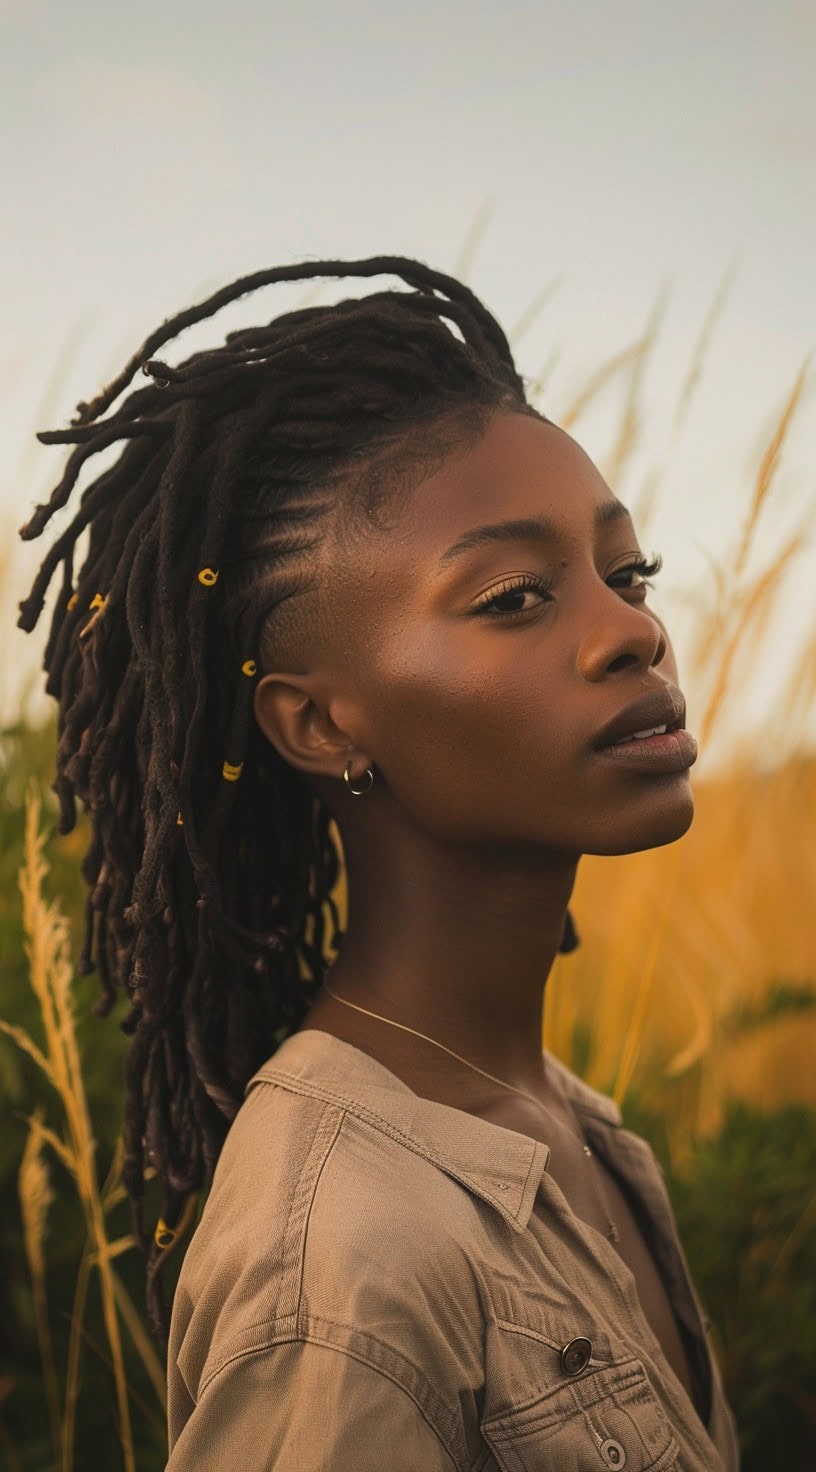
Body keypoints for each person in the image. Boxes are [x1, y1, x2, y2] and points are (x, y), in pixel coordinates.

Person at [19, 256, 740, 1470]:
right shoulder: (346, 1257)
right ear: (323, 724)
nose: (634, 631)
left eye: (628, 574)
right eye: (517, 596)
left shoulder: (575, 1128)